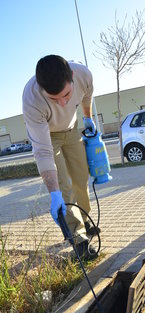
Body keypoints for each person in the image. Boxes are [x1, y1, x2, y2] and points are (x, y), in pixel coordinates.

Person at [22, 54, 99, 260]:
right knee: (63, 185)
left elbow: (86, 96)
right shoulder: (31, 99)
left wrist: (88, 118)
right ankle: (78, 237)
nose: (63, 103)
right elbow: (42, 151)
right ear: (41, 88)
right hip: (49, 135)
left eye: (66, 94)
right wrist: (54, 192)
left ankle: (84, 218)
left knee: (81, 178)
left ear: (72, 76)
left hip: (72, 129)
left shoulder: (84, 75)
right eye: (54, 99)